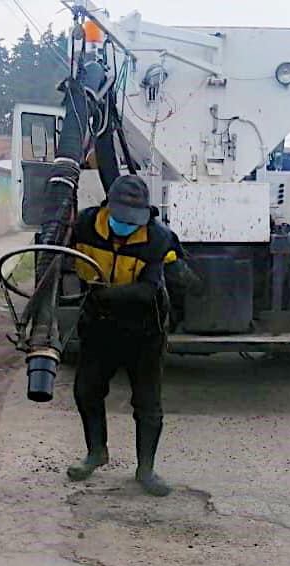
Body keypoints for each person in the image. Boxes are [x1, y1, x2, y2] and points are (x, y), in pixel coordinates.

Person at [66, 174, 201, 497]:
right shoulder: (84, 224)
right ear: (107, 207)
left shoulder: (158, 237)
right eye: (122, 217)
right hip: (98, 326)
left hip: (144, 329)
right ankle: (96, 452)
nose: (128, 224)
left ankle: (146, 469)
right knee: (86, 391)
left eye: (134, 220)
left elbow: (148, 289)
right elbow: (56, 255)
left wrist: (107, 295)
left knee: (147, 402)